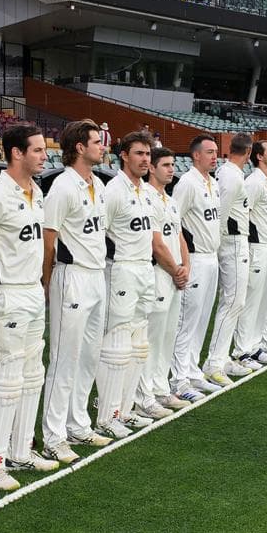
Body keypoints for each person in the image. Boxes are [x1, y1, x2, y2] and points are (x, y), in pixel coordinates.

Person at [0, 124, 57, 489]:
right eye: (37, 150)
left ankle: (19, 451)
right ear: (16, 153)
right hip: (4, 294)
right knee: (4, 378)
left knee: (32, 374)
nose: (44, 156)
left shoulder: (37, 191)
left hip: (32, 292)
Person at [41, 120, 110, 465]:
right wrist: (46, 281)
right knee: (64, 358)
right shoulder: (62, 186)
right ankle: (53, 436)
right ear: (80, 147)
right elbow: (48, 239)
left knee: (89, 355)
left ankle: (78, 423)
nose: (102, 147)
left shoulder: (98, 183)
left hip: (97, 275)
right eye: (97, 142)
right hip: (72, 276)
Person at [98, 130, 157, 438]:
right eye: (139, 153)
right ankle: (107, 414)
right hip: (122, 269)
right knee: (117, 345)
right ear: (124, 155)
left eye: (148, 154)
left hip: (145, 268)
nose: (145, 159)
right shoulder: (114, 190)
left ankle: (125, 408)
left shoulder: (146, 191)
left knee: (139, 345)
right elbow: (100, 233)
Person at [135, 147, 190, 419]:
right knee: (152, 338)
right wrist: (175, 269)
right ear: (152, 168)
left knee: (168, 334)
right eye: (166, 165)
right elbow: (156, 244)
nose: (171, 169)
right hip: (159, 273)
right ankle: (143, 396)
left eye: (173, 164)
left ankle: (160, 387)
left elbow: (179, 237)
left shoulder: (170, 200)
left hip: (175, 274)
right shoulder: (147, 197)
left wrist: (185, 267)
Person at [170, 135, 223, 400]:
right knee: (187, 321)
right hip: (195, 258)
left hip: (212, 257)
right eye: (209, 152)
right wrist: (183, 259)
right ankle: (178, 379)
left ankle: (192, 371)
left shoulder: (212, 182)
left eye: (216, 152)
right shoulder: (187, 183)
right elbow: (174, 221)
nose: (215, 156)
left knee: (202, 319)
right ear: (196, 155)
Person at [232, 139, 267, 371]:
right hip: (256, 247)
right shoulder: (253, 182)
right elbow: (245, 213)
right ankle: (241, 350)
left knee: (263, 299)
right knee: (251, 301)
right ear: (259, 156)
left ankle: (255, 346)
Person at [204, 133, 254, 382]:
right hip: (232, 241)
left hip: (235, 240)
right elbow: (221, 214)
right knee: (233, 301)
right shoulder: (231, 175)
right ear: (248, 152)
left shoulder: (231, 173)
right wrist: (219, 242)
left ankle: (221, 358)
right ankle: (214, 363)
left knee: (235, 302)